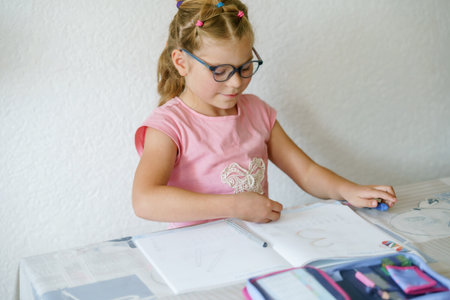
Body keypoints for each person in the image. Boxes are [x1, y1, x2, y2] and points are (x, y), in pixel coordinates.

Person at [132, 0, 397, 228]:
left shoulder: (257, 111)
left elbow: (305, 172)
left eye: (245, 67)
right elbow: (145, 201)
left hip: (260, 248)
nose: (236, 82)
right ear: (181, 62)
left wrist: (348, 190)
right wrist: (234, 206)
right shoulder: (170, 126)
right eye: (220, 71)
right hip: (200, 258)